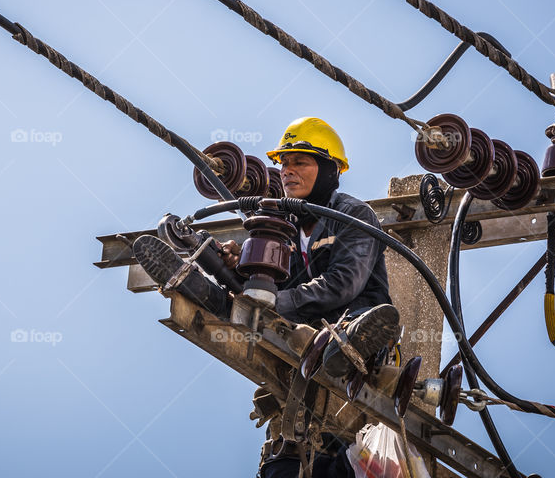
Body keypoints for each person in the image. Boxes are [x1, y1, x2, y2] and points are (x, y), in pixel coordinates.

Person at [133, 117, 398, 478]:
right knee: (283, 469)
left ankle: (341, 348)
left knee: (334, 462)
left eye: (299, 162)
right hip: (298, 348)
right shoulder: (284, 223)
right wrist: (239, 262)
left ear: (330, 170)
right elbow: (272, 280)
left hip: (353, 335)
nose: (287, 170)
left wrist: (273, 302)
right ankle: (195, 281)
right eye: (283, 162)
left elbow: (341, 285)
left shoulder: (352, 214)